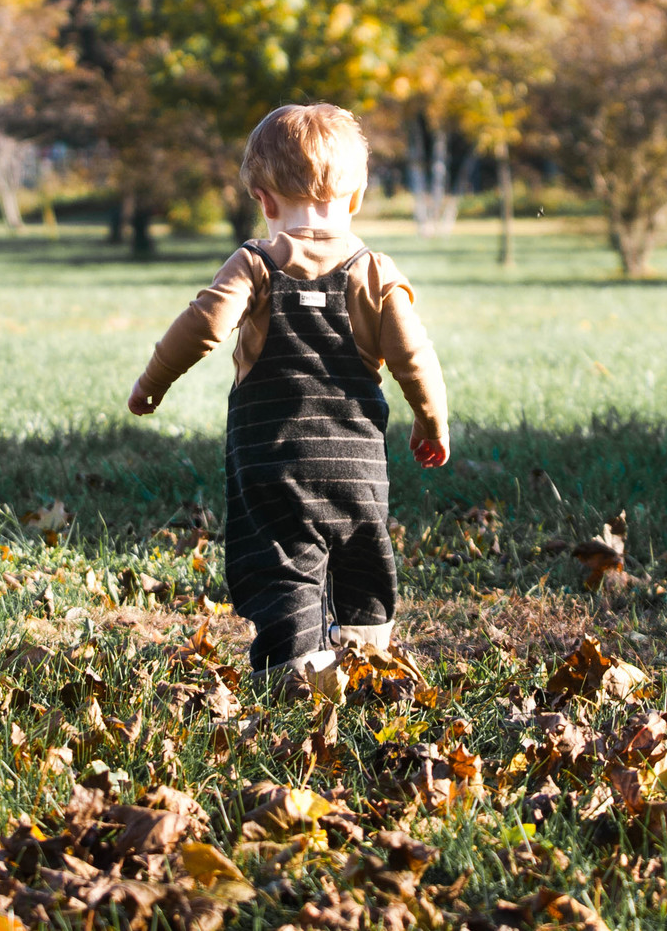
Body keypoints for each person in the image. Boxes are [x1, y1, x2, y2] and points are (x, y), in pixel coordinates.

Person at [126, 103, 449, 680]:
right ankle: (366, 653)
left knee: (282, 565)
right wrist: (431, 421)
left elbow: (203, 326)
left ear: (264, 201)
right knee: (362, 554)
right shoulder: (373, 271)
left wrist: (153, 382)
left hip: (271, 458)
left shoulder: (255, 263)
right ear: (356, 198)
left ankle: (296, 669)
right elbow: (414, 357)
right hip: (355, 460)